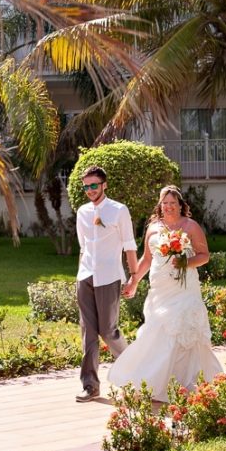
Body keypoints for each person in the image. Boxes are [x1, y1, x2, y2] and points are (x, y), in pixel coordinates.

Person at [108, 184, 222, 401]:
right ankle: (152, 381)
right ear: (160, 206)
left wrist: (186, 262)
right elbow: (147, 260)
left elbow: (204, 255)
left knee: (183, 331)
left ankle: (184, 382)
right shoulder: (153, 228)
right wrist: (133, 281)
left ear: (180, 205)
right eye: (165, 203)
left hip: (184, 288)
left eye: (173, 203)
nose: (169, 207)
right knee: (157, 330)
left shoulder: (191, 226)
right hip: (160, 288)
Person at [75, 165, 139, 402]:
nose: (90, 190)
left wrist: (133, 277)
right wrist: (80, 275)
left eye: (94, 185)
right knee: (88, 333)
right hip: (86, 276)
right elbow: (83, 246)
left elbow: (129, 245)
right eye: (86, 186)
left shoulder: (119, 210)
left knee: (108, 330)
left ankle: (135, 371)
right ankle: (90, 385)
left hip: (109, 277)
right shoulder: (82, 212)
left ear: (104, 185)